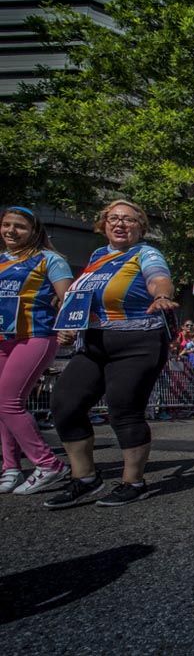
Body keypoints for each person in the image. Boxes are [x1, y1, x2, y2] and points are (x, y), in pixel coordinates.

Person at [46, 200, 178, 508]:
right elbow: (79, 299)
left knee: (124, 408)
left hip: (138, 340)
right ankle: (85, 478)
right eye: (114, 219)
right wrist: (68, 323)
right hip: (93, 342)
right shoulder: (96, 257)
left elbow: (158, 277)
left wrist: (161, 295)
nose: (120, 224)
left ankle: (134, 481)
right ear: (104, 224)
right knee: (65, 404)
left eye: (129, 220)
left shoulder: (146, 253)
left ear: (140, 227)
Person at [0, 207, 73, 495]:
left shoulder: (50, 260)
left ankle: (49, 464)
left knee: (8, 400)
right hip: (4, 337)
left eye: (19, 226)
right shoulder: (1, 261)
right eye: (6, 224)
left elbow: (68, 299)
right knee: (1, 404)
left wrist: (69, 327)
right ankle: (11, 468)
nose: (10, 231)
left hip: (36, 336)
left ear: (34, 231)